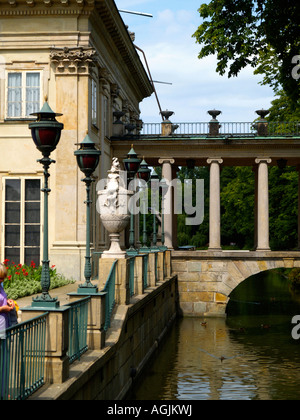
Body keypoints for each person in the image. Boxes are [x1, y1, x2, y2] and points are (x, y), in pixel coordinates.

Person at [0, 262, 15, 399]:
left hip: (3, 328)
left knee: (4, 362)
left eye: (3, 278)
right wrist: (2, 309)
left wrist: (8, 302)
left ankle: (3, 392)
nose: (2, 281)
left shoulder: (0, 287)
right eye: (0, 278)